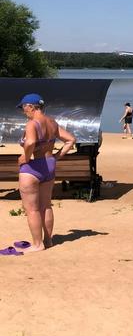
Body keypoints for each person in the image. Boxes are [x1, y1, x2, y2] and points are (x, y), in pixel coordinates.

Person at [13, 93, 75, 253]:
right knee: (46, 205)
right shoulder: (52, 122)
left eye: (23, 108)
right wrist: (56, 157)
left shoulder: (32, 124)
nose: (23, 111)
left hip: (32, 168)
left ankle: (37, 244)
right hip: (49, 165)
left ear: (31, 107)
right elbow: (70, 140)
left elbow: (31, 142)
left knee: (32, 209)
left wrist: (25, 158)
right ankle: (48, 241)